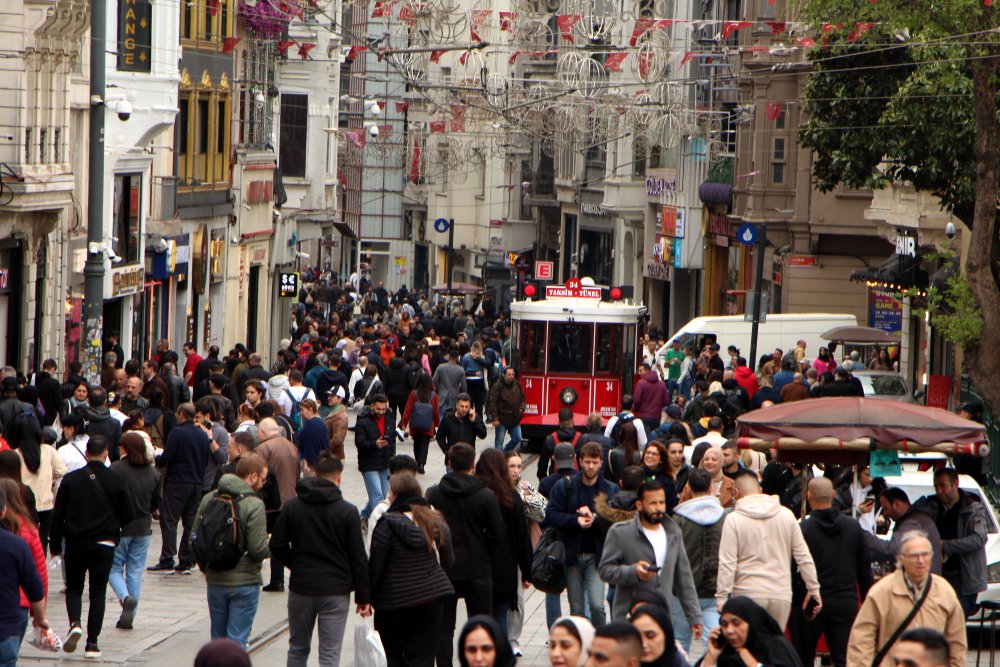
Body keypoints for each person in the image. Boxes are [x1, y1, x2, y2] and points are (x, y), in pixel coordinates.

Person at [269, 450, 370, 666]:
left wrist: (295, 563)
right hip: (336, 590)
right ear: (339, 478)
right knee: (329, 654)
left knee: (297, 648)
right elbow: (358, 557)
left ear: (314, 475)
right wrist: (364, 597)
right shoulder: (348, 512)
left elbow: (276, 545)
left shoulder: (293, 507)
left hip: (302, 586)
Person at [50, 435, 135, 657]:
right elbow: (129, 514)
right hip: (104, 544)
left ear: (86, 453)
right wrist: (115, 527)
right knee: (98, 593)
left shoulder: (71, 479)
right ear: (106, 454)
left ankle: (74, 623)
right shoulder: (116, 480)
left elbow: (57, 516)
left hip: (76, 542)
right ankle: (92, 644)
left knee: (75, 587)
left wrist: (56, 545)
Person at [426, 442, 505, 667]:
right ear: (473, 465)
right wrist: (483, 547)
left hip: (445, 570)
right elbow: (497, 532)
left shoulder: (434, 494)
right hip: (478, 568)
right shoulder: (485, 496)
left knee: (444, 626)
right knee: (481, 624)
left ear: (449, 463)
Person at [715, 472, 821, 630]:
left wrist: (722, 598)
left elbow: (727, 563)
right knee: (774, 647)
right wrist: (813, 589)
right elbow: (803, 557)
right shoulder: (786, 515)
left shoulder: (734, 519)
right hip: (780, 593)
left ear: (736, 492)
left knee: (749, 648)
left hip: (747, 592)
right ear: (760, 489)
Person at [369, 472, 454, 667]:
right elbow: (449, 560)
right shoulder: (435, 519)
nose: (388, 495)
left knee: (392, 655)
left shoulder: (387, 524)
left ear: (396, 494)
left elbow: (376, 567)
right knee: (423, 657)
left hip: (393, 603)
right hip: (432, 599)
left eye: (390, 491)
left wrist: (367, 598)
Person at [847, 531, 966, 667]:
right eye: (914, 556)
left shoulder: (944, 591)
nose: (920, 560)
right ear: (901, 558)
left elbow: (957, 643)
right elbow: (861, 640)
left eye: (925, 554)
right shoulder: (881, 592)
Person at [789, 477, 872, 667]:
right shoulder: (853, 527)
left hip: (811, 601)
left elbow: (791, 567)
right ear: (833, 494)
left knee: (802, 658)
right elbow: (864, 569)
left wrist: (796, 597)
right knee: (844, 658)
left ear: (808, 496)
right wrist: (867, 600)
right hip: (845, 600)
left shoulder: (804, 529)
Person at [598, 481, 701, 632]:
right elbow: (604, 570)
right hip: (629, 620)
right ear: (639, 505)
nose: (658, 508)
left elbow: (684, 578)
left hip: (662, 619)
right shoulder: (620, 532)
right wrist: (634, 572)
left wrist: (695, 617)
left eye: (661, 502)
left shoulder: (673, 533)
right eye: (653, 503)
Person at [193, 454, 270, 649]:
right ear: (253, 476)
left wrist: (205, 566)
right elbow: (257, 549)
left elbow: (194, 537)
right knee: (237, 642)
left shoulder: (210, 498)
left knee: (218, 642)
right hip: (244, 581)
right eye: (262, 478)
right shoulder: (254, 504)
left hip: (215, 580)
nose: (263, 484)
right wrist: (271, 545)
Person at [544, 442, 620, 627]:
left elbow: (617, 520)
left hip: (597, 557)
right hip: (572, 558)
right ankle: (580, 645)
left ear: (601, 462)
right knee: (576, 608)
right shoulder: (566, 486)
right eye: (587, 462)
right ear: (580, 461)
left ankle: (601, 640)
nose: (591, 466)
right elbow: (551, 515)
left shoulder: (610, 490)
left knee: (596, 604)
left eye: (595, 462)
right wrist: (575, 520)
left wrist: (595, 518)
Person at [914, 467, 988, 616]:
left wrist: (944, 545)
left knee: (955, 620)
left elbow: (979, 539)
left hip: (962, 578)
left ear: (955, 484)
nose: (939, 491)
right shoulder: (932, 507)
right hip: (937, 574)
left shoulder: (972, 509)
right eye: (936, 487)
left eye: (943, 486)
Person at [476, 448, 533, 637]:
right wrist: (527, 571)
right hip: (504, 566)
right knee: (500, 614)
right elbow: (522, 538)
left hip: (477, 567)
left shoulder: (474, 495)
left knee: (478, 617)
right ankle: (500, 653)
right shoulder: (510, 497)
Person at [150, 403, 214, 573]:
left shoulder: (177, 432)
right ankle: (186, 558)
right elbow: (206, 459)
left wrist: (158, 457)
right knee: (190, 521)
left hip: (178, 482)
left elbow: (167, 457)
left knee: (169, 519)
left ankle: (167, 557)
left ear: (181, 415)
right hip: (196, 483)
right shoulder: (202, 434)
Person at [108, 432, 161, 630]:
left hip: (121, 527)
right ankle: (130, 615)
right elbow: (157, 501)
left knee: (112, 568)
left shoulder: (116, 469)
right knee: (135, 572)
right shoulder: (153, 472)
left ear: (126, 448)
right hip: (143, 527)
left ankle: (125, 597)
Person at [671, 468, 726, 652]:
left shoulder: (678, 520)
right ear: (711, 486)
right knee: (712, 643)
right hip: (714, 589)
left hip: (684, 591)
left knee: (680, 642)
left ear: (687, 487)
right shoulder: (724, 517)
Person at [0, 485, 50, 666]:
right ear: (3, 511)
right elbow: (34, 584)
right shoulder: (17, 544)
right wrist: (40, 617)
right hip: (6, 628)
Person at [256, 417, 301, 593]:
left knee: (270, 540)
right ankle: (279, 578)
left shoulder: (263, 448)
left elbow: (257, 476)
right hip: (290, 499)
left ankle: (275, 579)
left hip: (271, 503)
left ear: (262, 432)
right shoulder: (291, 446)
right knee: (282, 539)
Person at [699, 596, 804, 667]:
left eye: (736, 623)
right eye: (724, 624)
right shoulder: (725, 651)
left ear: (752, 622)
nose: (729, 630)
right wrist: (710, 658)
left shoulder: (776, 646)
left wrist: (753, 663)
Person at [866, 487, 943, 575]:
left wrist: (863, 535)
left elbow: (892, 548)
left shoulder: (913, 522)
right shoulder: (914, 519)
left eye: (886, 508)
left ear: (896, 504)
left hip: (923, 582)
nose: (885, 513)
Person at [16, 422, 66, 555]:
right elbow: (62, 470)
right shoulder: (49, 450)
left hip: (23, 504)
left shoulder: (17, 453)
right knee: (42, 540)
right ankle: (39, 568)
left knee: (22, 537)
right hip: (45, 504)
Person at [355, 395, 399, 527]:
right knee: (377, 495)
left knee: (383, 495)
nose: (381, 412)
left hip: (385, 462)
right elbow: (359, 443)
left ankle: (364, 515)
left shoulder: (390, 418)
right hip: (369, 464)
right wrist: (375, 444)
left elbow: (392, 439)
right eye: (378, 409)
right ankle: (380, 524)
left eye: (383, 409)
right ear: (372, 406)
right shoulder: (363, 421)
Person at [401, 372, 440, 474]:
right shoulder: (433, 395)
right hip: (428, 425)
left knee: (416, 443)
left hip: (415, 423)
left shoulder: (413, 394)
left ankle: (417, 461)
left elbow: (408, 409)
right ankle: (422, 464)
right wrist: (437, 423)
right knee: (424, 444)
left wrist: (404, 422)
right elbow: (436, 411)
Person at [436, 392, 487, 458]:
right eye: (462, 406)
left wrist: (474, 422)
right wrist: (446, 450)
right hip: (452, 459)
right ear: (456, 405)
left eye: (467, 407)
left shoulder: (474, 417)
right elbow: (439, 436)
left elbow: (483, 435)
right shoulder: (448, 418)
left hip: (468, 459)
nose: (464, 409)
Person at [488, 366, 526, 453]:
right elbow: (492, 402)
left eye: (512, 374)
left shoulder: (517, 385)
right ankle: (499, 460)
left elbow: (523, 398)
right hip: (502, 419)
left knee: (517, 438)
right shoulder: (497, 386)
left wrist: (522, 409)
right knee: (499, 441)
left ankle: (505, 453)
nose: (511, 376)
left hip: (515, 419)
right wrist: (495, 418)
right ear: (504, 375)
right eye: (509, 374)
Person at [633, 363, 668, 435]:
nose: (639, 373)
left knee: (645, 439)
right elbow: (666, 401)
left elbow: (636, 400)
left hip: (643, 416)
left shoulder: (641, 383)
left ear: (647, 371)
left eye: (641, 371)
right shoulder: (662, 384)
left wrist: (636, 410)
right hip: (656, 417)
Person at [296, 399, 330, 472]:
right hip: (321, 463)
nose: (300, 413)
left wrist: (305, 462)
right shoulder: (322, 423)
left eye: (302, 410)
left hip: (311, 466)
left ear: (310, 410)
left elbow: (308, 447)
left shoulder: (310, 425)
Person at [432, 347, 467, 415]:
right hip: (455, 395)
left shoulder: (440, 367)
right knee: (452, 416)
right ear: (457, 357)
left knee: (441, 415)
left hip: (442, 393)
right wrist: (463, 397)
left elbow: (434, 380)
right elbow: (464, 386)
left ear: (449, 356)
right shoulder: (461, 370)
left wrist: (439, 387)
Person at [324, 386, 349, 460]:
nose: (329, 398)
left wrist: (323, 447)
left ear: (340, 398)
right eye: (329, 395)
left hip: (335, 458)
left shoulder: (341, 416)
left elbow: (337, 440)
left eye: (332, 396)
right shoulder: (335, 412)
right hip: (332, 457)